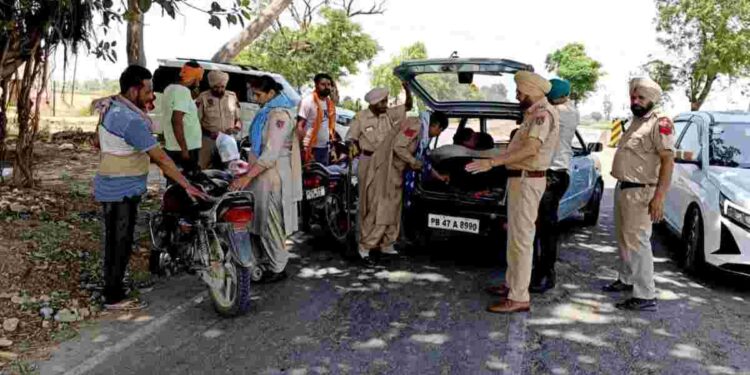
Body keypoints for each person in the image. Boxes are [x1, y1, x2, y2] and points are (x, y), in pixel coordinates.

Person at [93, 65, 207, 310]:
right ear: (134, 90)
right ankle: (113, 297)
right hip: (121, 187)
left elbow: (96, 141)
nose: (152, 96)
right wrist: (187, 185)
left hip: (111, 183)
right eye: (149, 91)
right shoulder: (130, 119)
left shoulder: (112, 106)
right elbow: (162, 159)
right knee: (120, 240)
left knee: (115, 239)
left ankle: (114, 288)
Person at [466, 71, 559, 314]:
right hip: (520, 181)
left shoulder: (542, 115)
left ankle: (518, 297)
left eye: (520, 91)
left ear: (532, 91)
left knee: (522, 241)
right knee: (515, 239)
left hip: (528, 181)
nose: (517, 95)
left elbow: (530, 150)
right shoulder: (532, 114)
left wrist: (492, 162)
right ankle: (512, 285)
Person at [603, 77, 675, 312]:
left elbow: (667, 161)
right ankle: (626, 279)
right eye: (633, 97)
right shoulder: (636, 121)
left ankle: (645, 295)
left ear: (652, 100)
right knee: (624, 239)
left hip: (642, 191)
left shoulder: (660, 123)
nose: (635, 101)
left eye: (641, 97)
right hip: (624, 187)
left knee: (638, 243)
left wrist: (659, 198)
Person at [229, 75, 302, 282]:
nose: (256, 98)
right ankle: (266, 261)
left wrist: (246, 178)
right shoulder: (268, 111)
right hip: (262, 174)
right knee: (261, 220)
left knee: (271, 223)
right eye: (254, 94)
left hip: (272, 175)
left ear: (271, 93)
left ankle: (278, 267)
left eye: (259, 94)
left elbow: (270, 154)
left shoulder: (279, 115)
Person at [360, 112, 449, 258]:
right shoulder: (416, 126)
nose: (437, 134)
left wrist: (439, 176)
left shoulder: (423, 136)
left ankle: (387, 245)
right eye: (440, 131)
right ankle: (366, 248)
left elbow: (424, 160)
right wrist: (413, 162)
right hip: (388, 172)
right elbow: (398, 146)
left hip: (399, 174)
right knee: (382, 211)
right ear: (437, 125)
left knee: (394, 212)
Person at [346, 84, 413, 263]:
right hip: (368, 163)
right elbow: (350, 139)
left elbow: (408, 106)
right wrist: (352, 146)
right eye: (383, 102)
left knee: (391, 202)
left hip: (389, 164)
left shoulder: (388, 114)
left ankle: (387, 244)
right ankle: (364, 247)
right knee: (370, 206)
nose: (386, 104)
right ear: (374, 103)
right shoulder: (360, 117)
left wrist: (408, 89)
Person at [529, 78, 579, 293]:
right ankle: (536, 272)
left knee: (546, 228)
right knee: (540, 227)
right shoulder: (569, 109)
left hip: (553, 174)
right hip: (554, 173)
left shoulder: (560, 112)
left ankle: (545, 275)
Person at [162, 60, 204, 176]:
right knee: (187, 183)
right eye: (198, 79)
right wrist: (184, 150)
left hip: (174, 145)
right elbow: (176, 120)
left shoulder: (170, 88)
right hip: (186, 148)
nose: (199, 83)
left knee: (174, 180)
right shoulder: (182, 91)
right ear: (194, 78)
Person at [196, 70, 241, 169]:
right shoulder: (203, 97)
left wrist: (236, 129)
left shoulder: (232, 97)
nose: (219, 90)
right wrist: (207, 133)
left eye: (222, 87)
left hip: (228, 139)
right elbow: (196, 121)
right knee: (203, 167)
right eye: (216, 87)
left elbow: (238, 119)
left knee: (231, 167)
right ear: (211, 86)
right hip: (208, 139)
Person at [297, 73, 337, 165]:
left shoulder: (330, 104)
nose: (326, 87)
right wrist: (301, 148)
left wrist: (332, 147)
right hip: (310, 148)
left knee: (322, 177)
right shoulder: (308, 101)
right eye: (323, 84)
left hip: (324, 148)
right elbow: (299, 126)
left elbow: (330, 128)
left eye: (329, 84)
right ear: (316, 85)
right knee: (308, 177)